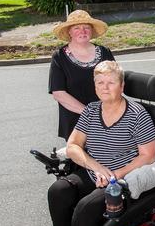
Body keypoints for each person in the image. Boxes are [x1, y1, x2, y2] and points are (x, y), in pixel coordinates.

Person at [31, 61, 155, 226]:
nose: (105, 87)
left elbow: (148, 155)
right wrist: (97, 167)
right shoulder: (91, 110)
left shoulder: (137, 114)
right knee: (58, 190)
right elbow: (73, 146)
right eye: (100, 82)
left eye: (111, 82)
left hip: (122, 178)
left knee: (86, 207)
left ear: (121, 85)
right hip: (94, 171)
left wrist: (115, 174)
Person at [49, 10, 115, 140]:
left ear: (91, 31)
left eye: (86, 27)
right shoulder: (59, 57)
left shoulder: (105, 52)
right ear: (69, 32)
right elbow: (58, 93)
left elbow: (116, 83)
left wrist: (109, 112)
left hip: (107, 117)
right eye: (77, 28)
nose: (82, 31)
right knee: (82, 159)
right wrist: (90, 114)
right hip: (76, 122)